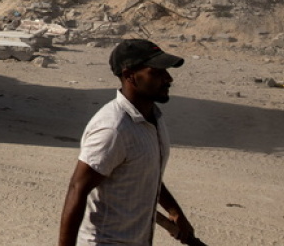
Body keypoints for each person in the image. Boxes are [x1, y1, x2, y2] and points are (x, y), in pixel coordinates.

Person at [59, 39, 198, 246]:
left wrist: (174, 210)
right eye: (156, 72)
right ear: (129, 75)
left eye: (166, 71)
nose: (168, 79)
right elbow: (77, 189)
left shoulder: (154, 119)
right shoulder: (113, 128)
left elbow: (146, 172)